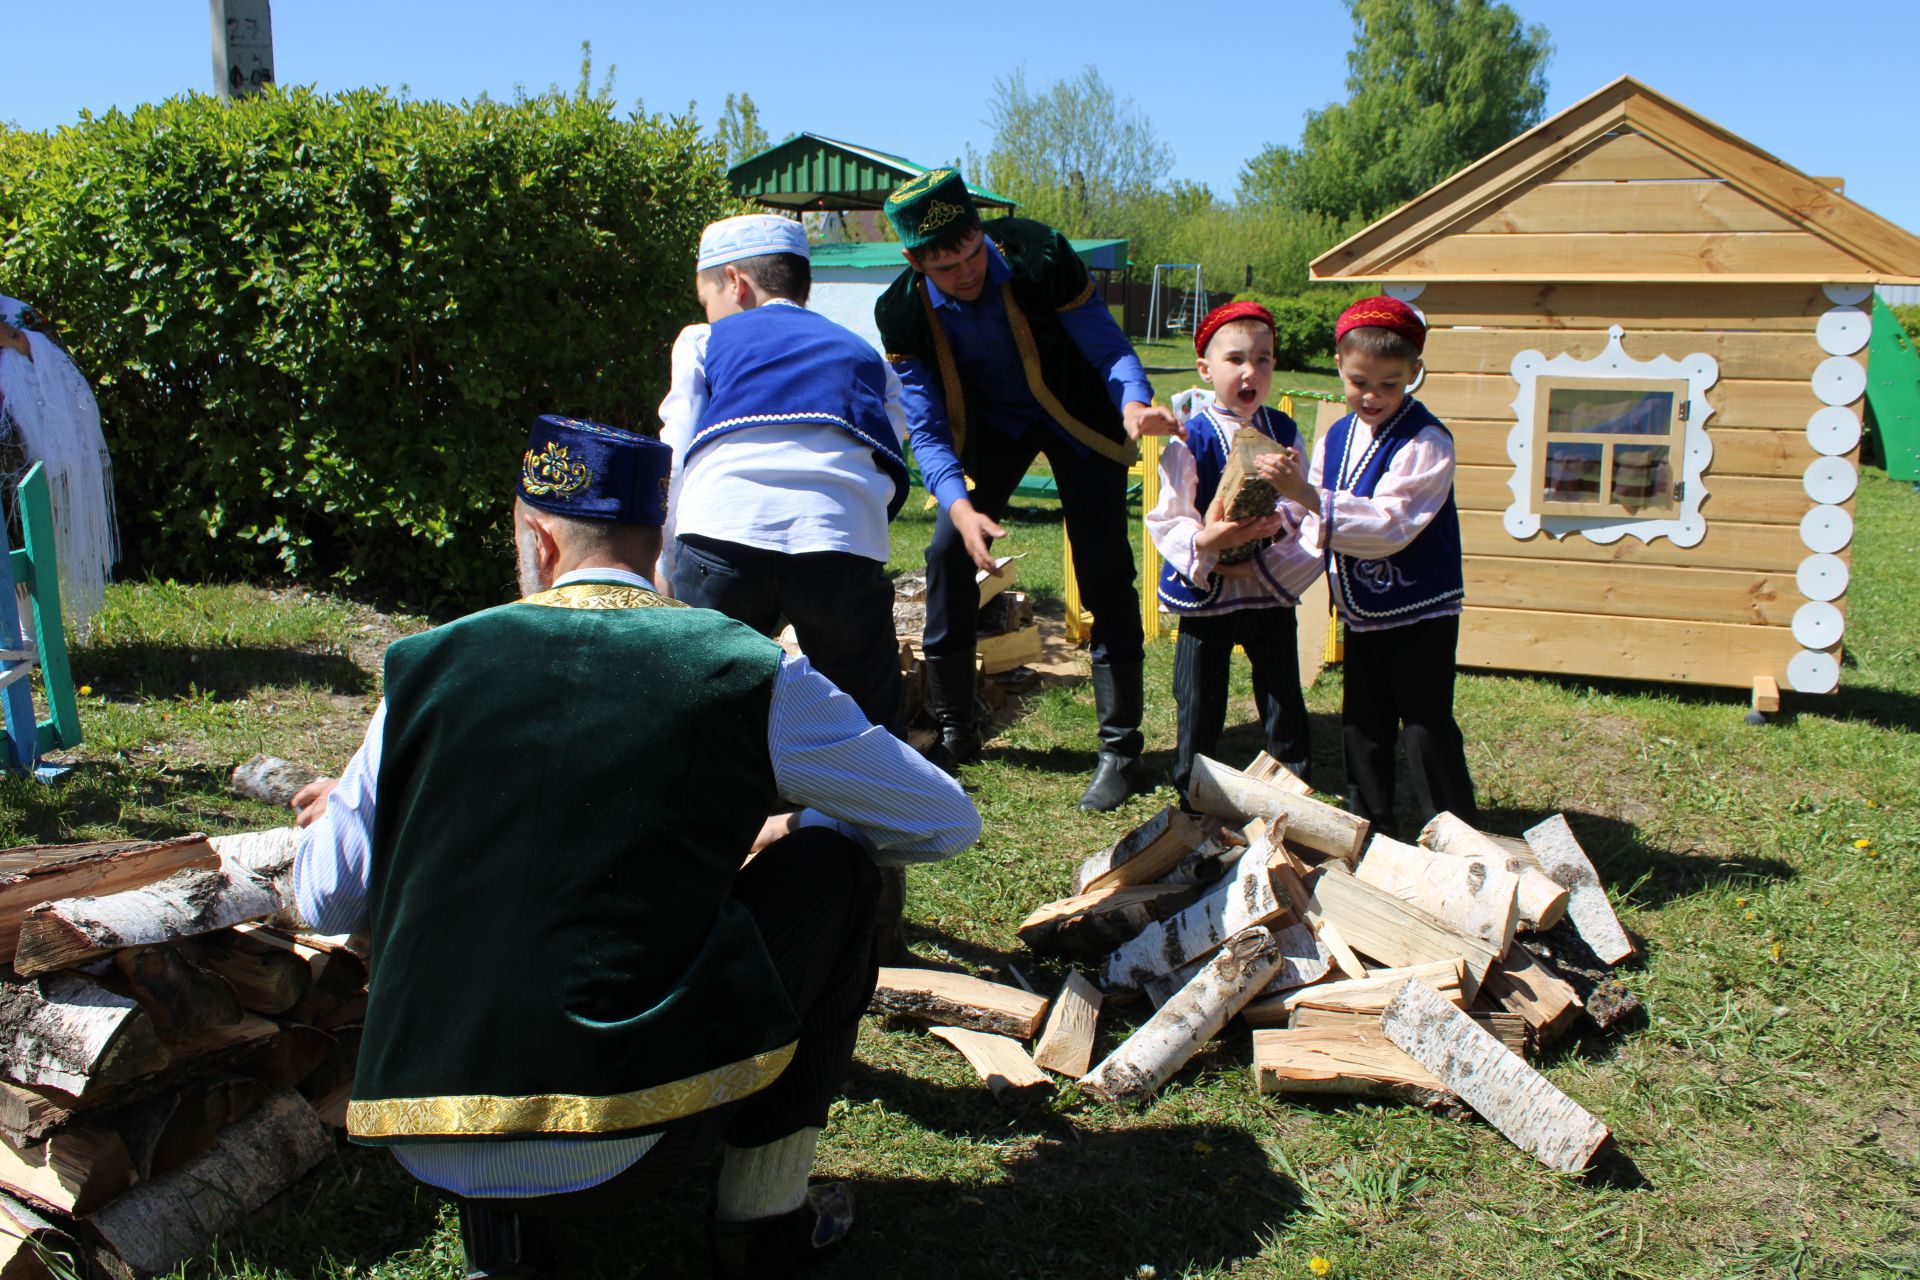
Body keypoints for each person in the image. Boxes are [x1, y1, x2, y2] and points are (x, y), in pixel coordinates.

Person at [291, 415, 979, 1279]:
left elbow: (320, 901)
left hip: (418, 1127)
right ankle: (762, 1221)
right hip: (634, 1132)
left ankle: (505, 1234)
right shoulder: (744, 668)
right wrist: (787, 820)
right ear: (661, 542)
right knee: (836, 869)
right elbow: (944, 821)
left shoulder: (424, 670)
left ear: (538, 538)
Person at [873, 168, 1181, 810]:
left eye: (969, 253)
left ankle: (1120, 748)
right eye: (945, 266)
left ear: (980, 230)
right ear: (912, 259)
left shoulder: (1039, 253)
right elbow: (926, 431)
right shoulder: (901, 310)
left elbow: (1109, 348)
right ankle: (957, 729)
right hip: (994, 431)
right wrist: (960, 510)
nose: (965, 272)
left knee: (1102, 563)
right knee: (944, 555)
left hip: (1079, 416)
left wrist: (1133, 405)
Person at [657, 214, 910, 734]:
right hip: (839, 540)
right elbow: (891, 433)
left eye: (708, 297)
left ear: (735, 282)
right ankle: (863, 810)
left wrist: (664, 555)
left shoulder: (703, 340)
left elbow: (677, 443)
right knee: (864, 713)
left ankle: (701, 807)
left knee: (693, 699)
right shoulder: (860, 352)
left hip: (721, 536)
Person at [1273, 296, 1476, 836]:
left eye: (1390, 384)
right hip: (1364, 612)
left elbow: (1392, 524)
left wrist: (1309, 498)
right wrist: (1273, 519)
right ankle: (1370, 822)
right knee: (1363, 722)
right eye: (1360, 381)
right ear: (1339, 365)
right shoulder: (1336, 436)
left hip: (1419, 609)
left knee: (1425, 723)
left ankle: (1456, 831)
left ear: (1415, 373)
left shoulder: (1427, 441)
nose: (1372, 396)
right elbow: (1308, 509)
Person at [1146, 302, 1319, 809]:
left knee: (1282, 692)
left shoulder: (1283, 431)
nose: (1251, 372)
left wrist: (1278, 523)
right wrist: (1209, 544)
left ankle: (1293, 788)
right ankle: (1194, 790)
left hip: (1265, 584)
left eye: (1263, 360)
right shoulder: (1191, 435)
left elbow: (1301, 499)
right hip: (1209, 587)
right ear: (1206, 369)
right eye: (1236, 359)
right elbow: (1170, 515)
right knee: (1199, 698)